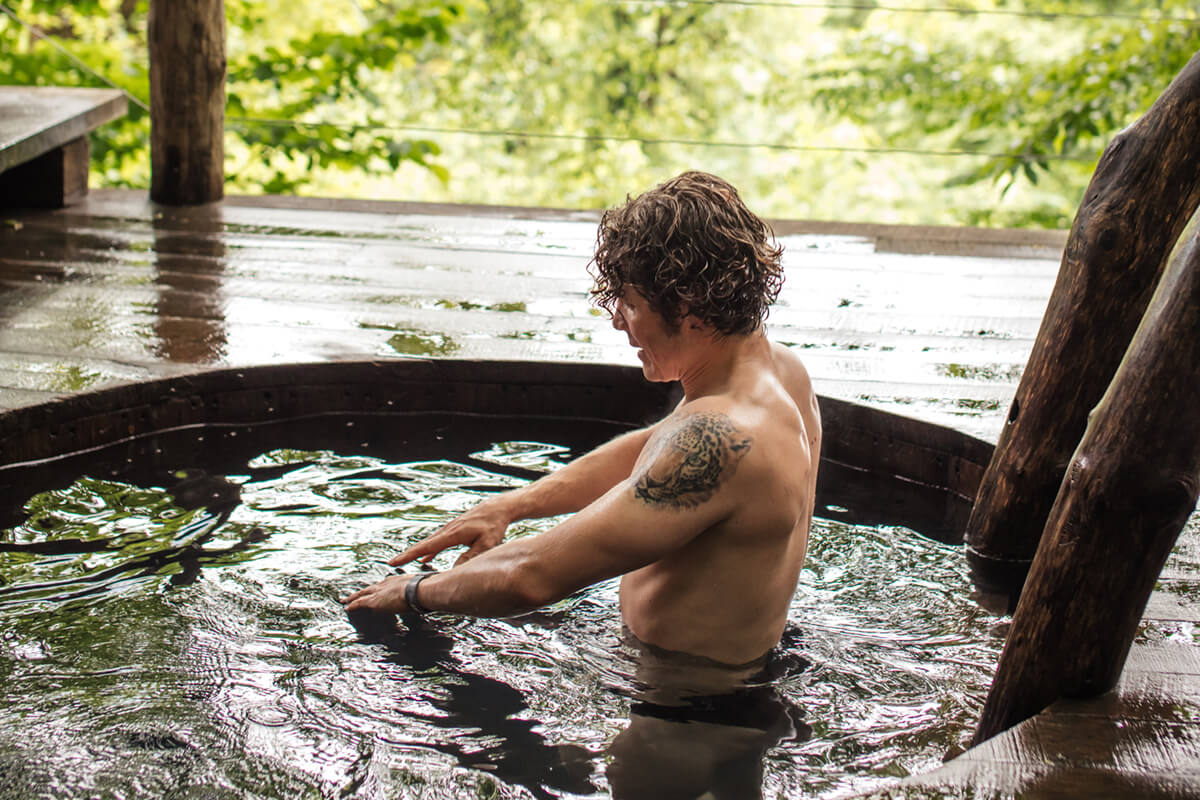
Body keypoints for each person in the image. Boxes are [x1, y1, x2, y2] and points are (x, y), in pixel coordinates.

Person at [342, 170, 821, 669]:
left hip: (686, 714)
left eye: (631, 304)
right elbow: (656, 449)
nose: (617, 320)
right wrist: (512, 505)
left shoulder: (722, 437)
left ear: (688, 307)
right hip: (729, 669)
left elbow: (532, 576)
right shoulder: (778, 374)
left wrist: (414, 590)